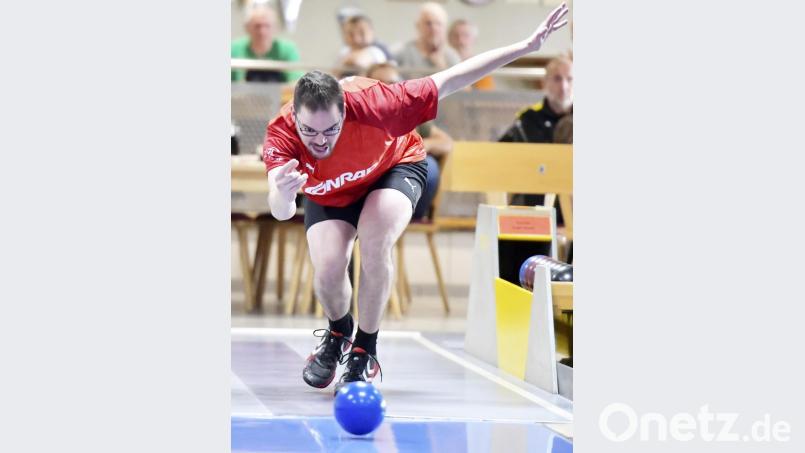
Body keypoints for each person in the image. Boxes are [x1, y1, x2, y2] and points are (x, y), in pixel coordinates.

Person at [262, 3, 569, 394]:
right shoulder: (282, 134)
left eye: (331, 130)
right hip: (333, 193)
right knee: (327, 269)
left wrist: (526, 46)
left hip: (394, 168)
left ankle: (364, 351)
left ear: (346, 110)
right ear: (296, 119)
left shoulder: (380, 103)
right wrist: (284, 194)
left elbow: (454, 78)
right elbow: (281, 209)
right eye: (310, 131)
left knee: (375, 243)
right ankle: (339, 330)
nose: (320, 141)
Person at [365, 62, 453, 219]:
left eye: (392, 83)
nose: (387, 88)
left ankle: (407, 213)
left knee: (429, 165)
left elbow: (446, 143)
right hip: (370, 186)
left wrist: (422, 145)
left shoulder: (409, 113)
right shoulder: (360, 116)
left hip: (408, 184)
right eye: (380, 83)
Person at [500, 56, 573, 214]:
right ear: (544, 83)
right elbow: (501, 155)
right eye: (557, 79)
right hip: (537, 206)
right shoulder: (528, 119)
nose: (564, 86)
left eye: (570, 79)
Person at [231, 5, 303, 83]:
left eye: (267, 26)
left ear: (275, 28)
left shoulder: (288, 49)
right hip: (242, 94)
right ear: (247, 28)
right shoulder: (234, 49)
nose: (262, 32)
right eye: (257, 26)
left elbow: (296, 82)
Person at [394, 2, 461, 73]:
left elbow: (459, 82)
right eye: (428, 23)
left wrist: (442, 66)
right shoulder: (401, 52)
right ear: (418, 26)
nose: (434, 28)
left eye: (438, 23)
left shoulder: (452, 57)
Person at [448, 19, 495, 91]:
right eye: (456, 36)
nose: (460, 40)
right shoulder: (443, 63)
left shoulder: (482, 66)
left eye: (465, 35)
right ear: (449, 39)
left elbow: (486, 98)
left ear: (474, 39)